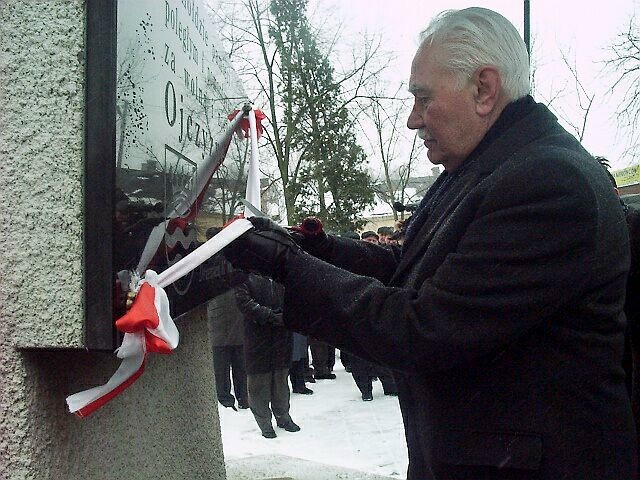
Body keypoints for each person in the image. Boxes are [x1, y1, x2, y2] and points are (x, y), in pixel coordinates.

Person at [224, 7, 635, 479]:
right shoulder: (486, 165)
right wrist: (318, 248)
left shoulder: (548, 181)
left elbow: (424, 327)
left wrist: (288, 264)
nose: (412, 120)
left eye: (423, 98)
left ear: (484, 89)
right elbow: (414, 264)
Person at [235, 272, 300, 438]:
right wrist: (268, 315)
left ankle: (283, 417)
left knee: (281, 381)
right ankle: (264, 422)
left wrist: (286, 314)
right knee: (258, 383)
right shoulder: (244, 276)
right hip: (257, 337)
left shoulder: (280, 273)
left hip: (281, 336)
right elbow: (244, 302)